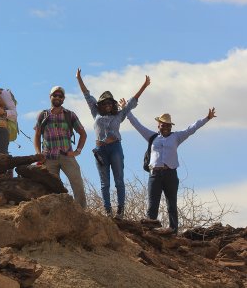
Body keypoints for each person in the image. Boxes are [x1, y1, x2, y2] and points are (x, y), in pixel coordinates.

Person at [123, 103, 217, 234]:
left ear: (170, 126)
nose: (166, 127)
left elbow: (192, 128)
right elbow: (137, 124)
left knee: (171, 203)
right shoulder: (152, 136)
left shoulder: (176, 137)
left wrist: (207, 118)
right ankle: (150, 229)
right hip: (154, 174)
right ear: (159, 125)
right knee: (152, 204)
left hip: (170, 174)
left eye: (168, 125)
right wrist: (126, 110)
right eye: (163, 125)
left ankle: (173, 230)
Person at [76, 69, 150, 218]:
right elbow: (87, 96)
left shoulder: (119, 115)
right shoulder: (95, 113)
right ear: (101, 104)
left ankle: (120, 211)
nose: (108, 105)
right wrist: (79, 79)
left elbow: (131, 103)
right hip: (100, 150)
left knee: (119, 180)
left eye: (110, 102)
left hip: (115, 148)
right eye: (105, 103)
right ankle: (108, 211)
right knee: (105, 183)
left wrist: (144, 86)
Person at [34, 86, 88, 208]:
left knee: (77, 184)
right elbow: (37, 136)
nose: (57, 97)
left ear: (63, 99)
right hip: (48, 158)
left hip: (67, 156)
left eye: (60, 96)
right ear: (50, 97)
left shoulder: (70, 115)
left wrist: (77, 151)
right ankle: (55, 214)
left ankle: (82, 212)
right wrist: (38, 154)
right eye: (55, 95)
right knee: (51, 189)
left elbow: (83, 134)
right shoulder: (43, 115)